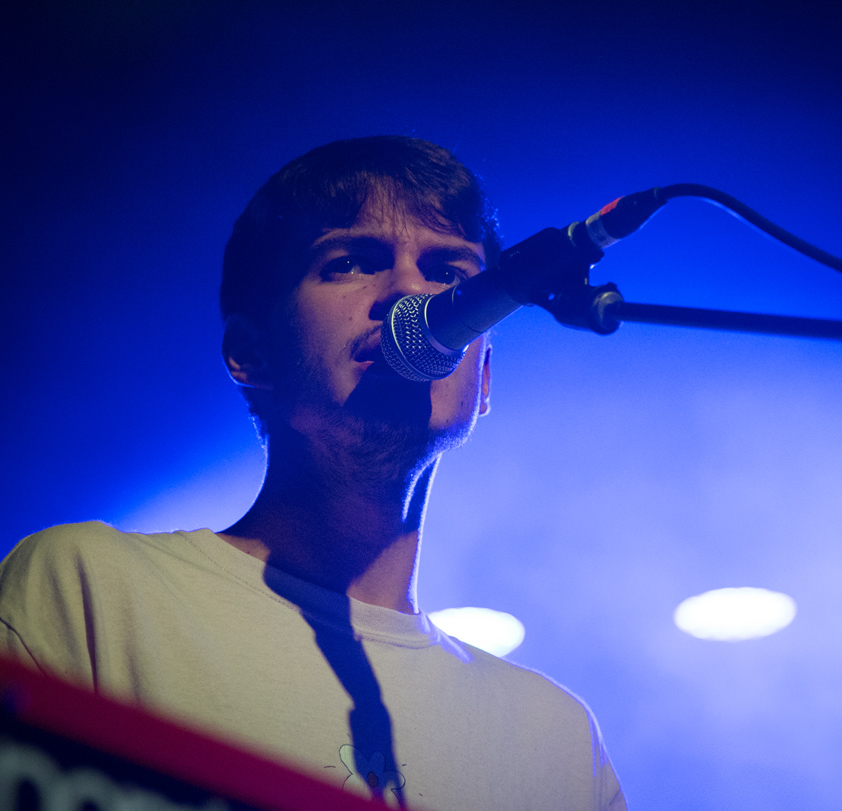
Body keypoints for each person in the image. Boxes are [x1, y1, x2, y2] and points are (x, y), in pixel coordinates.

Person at [0, 137, 626, 810]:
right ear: (250, 353)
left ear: (485, 378)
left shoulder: (557, 738)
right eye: (352, 261)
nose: (411, 293)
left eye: (448, 272)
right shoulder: (91, 589)